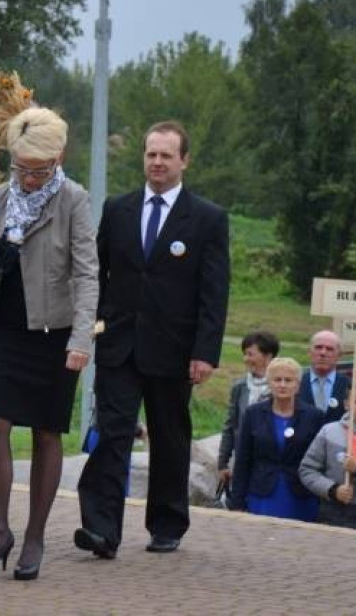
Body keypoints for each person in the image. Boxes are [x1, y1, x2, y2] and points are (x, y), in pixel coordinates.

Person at [75, 120, 230, 559]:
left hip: (174, 351)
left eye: (166, 155)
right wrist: (92, 325)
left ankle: (166, 523)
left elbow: (214, 292)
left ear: (184, 160)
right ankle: (102, 529)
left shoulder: (207, 219)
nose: (157, 162)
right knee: (113, 433)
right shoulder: (118, 209)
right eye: (151, 154)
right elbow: (96, 274)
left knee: (169, 437)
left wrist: (205, 352)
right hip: (119, 345)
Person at [0, 107, 98, 581]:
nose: (27, 178)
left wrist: (82, 339)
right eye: (21, 168)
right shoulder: (3, 196)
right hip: (6, 326)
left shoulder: (73, 200)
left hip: (54, 333)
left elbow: (87, 273)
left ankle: (35, 536)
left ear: (57, 158)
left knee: (46, 432)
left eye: (37, 170)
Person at [228, 356, 322, 521]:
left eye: (288, 380)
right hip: (262, 494)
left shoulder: (314, 416)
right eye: (277, 380)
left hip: (301, 495)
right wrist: (237, 502)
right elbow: (243, 460)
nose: (283, 385)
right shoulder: (253, 413)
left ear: (298, 385)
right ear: (269, 383)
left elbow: (320, 461)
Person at [217, 331, 279, 489]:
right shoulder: (239, 386)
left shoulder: (282, 385)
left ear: (268, 356)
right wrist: (222, 463)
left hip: (273, 460)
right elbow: (230, 426)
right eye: (245, 354)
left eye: (251, 354)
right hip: (244, 458)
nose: (246, 359)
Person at [299, 396, 356, 529]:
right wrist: (332, 489)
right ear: (346, 403)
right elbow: (307, 470)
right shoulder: (329, 432)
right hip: (334, 513)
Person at [298, 330, 351, 424]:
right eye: (318, 347)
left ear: (339, 355)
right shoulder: (296, 383)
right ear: (309, 352)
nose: (323, 353)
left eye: (329, 349)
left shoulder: (349, 386)